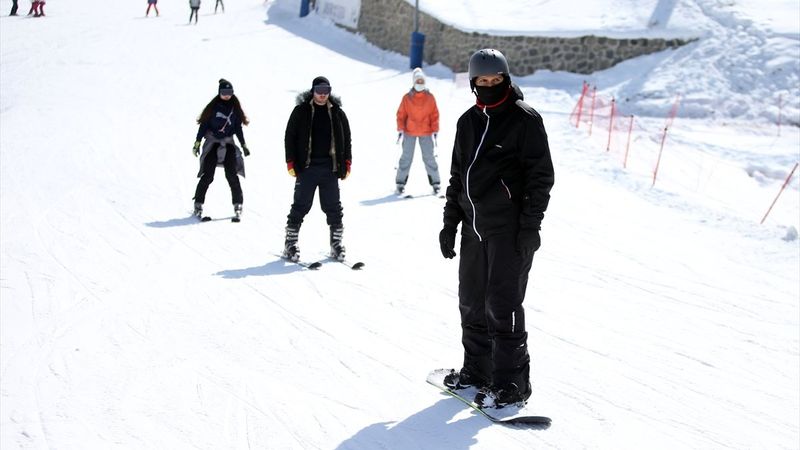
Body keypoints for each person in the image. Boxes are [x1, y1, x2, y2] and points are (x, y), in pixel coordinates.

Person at [438, 49, 554, 409]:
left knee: (502, 305)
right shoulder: (467, 122)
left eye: (495, 80)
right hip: (474, 229)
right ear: (473, 83)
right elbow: (458, 176)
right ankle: (477, 370)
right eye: (482, 82)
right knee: (471, 302)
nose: (489, 86)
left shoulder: (524, 120)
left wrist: (530, 227)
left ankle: (511, 384)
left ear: (506, 79)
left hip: (510, 231)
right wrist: (450, 222)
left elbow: (541, 177)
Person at [282, 76, 352, 262]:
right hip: (307, 168)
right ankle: (290, 243)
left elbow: (347, 139)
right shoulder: (301, 111)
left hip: (330, 169)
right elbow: (289, 137)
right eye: (319, 90)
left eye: (326, 90)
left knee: (334, 208)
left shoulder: (337, 113)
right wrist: (290, 162)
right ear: (312, 91)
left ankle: (336, 244)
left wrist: (347, 162)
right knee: (301, 206)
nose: (322, 94)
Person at [192, 79, 250, 220]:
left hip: (228, 144)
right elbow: (204, 125)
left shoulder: (234, 109)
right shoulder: (213, 107)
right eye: (224, 92)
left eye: (229, 92)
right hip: (213, 144)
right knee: (208, 175)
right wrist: (198, 142)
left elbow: (237, 128)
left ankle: (238, 204)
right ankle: (198, 204)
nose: (226, 95)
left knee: (231, 174)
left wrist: (243, 144)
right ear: (219, 93)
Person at [395, 67, 441, 195]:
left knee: (429, 158)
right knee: (406, 158)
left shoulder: (430, 97)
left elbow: (434, 114)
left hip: (426, 132)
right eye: (418, 81)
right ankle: (400, 182)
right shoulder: (407, 98)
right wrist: (400, 127)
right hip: (410, 132)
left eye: (422, 81)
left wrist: (435, 128)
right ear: (414, 82)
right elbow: (401, 114)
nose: (420, 83)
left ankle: (435, 183)